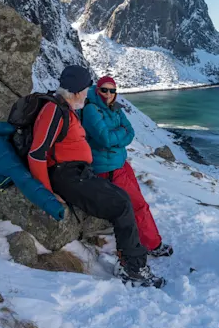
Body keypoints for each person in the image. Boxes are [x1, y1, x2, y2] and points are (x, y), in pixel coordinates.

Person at [28, 65, 165, 288]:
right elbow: (37, 153)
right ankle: (133, 268)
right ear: (75, 91)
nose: (87, 94)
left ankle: (131, 260)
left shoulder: (66, 108)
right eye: (85, 90)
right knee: (122, 204)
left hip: (78, 172)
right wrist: (46, 192)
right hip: (67, 176)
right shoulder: (55, 110)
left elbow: (125, 133)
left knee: (123, 199)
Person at [81, 76, 173, 257]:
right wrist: (119, 135)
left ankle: (143, 237)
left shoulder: (113, 107)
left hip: (120, 163)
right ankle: (153, 245)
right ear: (97, 90)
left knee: (138, 202)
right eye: (104, 90)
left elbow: (130, 132)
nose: (108, 94)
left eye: (112, 90)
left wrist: (116, 137)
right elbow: (106, 139)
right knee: (137, 205)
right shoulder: (92, 110)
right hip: (108, 169)